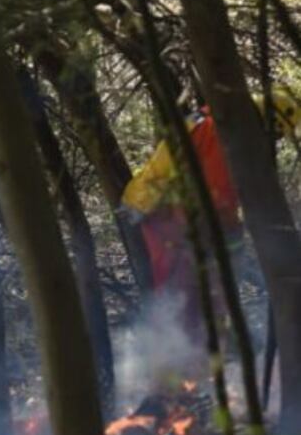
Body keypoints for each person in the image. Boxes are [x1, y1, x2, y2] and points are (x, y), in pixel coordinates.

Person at [120, 88, 299, 342]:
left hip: (158, 207)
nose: (275, 140)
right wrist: (234, 238)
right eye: (277, 132)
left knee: (191, 288)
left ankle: (193, 351)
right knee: (184, 291)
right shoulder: (223, 135)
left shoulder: (217, 120)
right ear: (267, 120)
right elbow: (214, 197)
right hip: (167, 213)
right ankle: (180, 357)